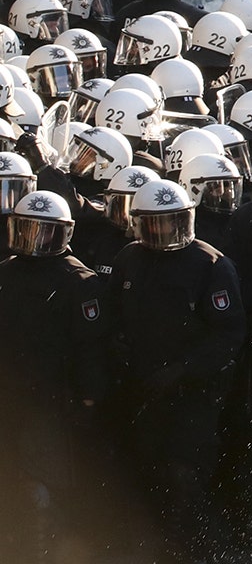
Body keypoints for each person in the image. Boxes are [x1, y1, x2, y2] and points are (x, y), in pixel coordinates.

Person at [107, 178, 246, 563]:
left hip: (193, 393)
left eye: (171, 222)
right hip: (142, 388)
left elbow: (228, 333)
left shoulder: (212, 265)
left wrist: (183, 370)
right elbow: (114, 312)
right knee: (145, 472)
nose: (163, 231)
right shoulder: (128, 259)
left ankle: (199, 552)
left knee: (185, 474)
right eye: (153, 224)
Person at [0, 190, 110, 559]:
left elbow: (91, 348)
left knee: (46, 481)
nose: (38, 241)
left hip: (50, 401)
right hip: (9, 396)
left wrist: (89, 397)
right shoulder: (6, 272)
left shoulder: (79, 282)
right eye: (30, 230)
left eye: (47, 232)